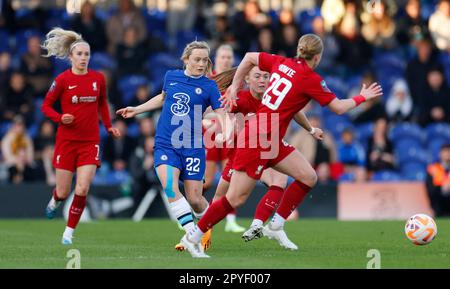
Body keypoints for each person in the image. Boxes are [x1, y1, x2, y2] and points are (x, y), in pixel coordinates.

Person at [180, 34, 383, 258]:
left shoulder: (281, 62)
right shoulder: (310, 78)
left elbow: (249, 57)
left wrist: (235, 87)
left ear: (299, 50)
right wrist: (362, 97)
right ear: (317, 57)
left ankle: (276, 226)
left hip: (271, 138)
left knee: (308, 177)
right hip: (258, 137)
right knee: (235, 198)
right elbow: (338, 107)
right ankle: (192, 237)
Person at [197, 66, 324, 251]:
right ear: (247, 79)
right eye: (258, 76)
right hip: (241, 154)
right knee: (221, 195)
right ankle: (202, 231)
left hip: (268, 151)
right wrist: (222, 128)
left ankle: (259, 224)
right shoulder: (239, 99)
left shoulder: (274, 98)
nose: (263, 80)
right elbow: (213, 110)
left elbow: (296, 110)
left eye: (266, 76)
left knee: (280, 180)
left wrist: (311, 129)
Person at [116, 41, 226, 251]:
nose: (201, 64)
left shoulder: (209, 86)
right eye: (197, 59)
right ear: (186, 60)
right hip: (166, 143)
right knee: (170, 187)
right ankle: (192, 236)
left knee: (195, 198)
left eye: (204, 60)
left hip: (193, 146)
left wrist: (224, 132)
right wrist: (137, 110)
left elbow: (220, 112)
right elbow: (163, 98)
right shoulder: (171, 76)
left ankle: (205, 226)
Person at [40, 28, 121, 245]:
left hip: (89, 142)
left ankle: (68, 232)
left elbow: (102, 103)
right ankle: (55, 200)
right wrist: (59, 117)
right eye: (79, 54)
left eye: (86, 54)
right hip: (66, 142)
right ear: (71, 57)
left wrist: (108, 126)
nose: (83, 58)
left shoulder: (98, 79)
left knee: (83, 187)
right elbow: (46, 106)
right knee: (63, 190)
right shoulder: (62, 79)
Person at [204, 44, 245, 233]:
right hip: (210, 135)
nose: (226, 60)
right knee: (207, 181)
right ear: (216, 59)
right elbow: (201, 110)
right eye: (223, 57)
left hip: (231, 136)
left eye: (229, 57)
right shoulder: (208, 80)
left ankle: (230, 220)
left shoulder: (236, 83)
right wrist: (207, 123)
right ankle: (193, 211)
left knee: (231, 179)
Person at [426, 144, 450, 216]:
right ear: (440, 154)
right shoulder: (433, 169)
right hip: (438, 204)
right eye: (444, 152)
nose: (447, 154)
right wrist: (442, 188)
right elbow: (430, 189)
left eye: (448, 152)